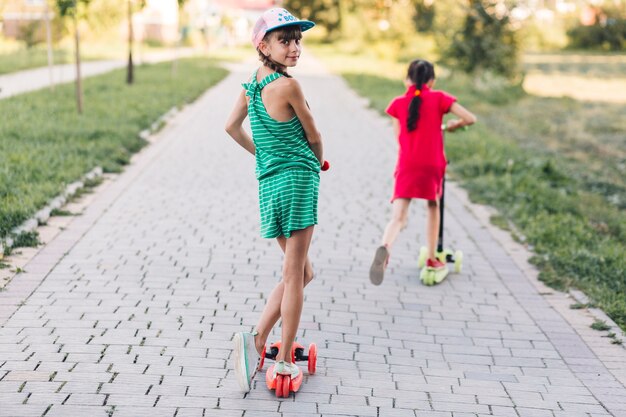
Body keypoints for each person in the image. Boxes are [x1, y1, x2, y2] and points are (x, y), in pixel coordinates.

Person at [224, 8, 324, 393]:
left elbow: (230, 127)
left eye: (297, 39)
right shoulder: (290, 87)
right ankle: (281, 359)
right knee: (294, 274)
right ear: (263, 45)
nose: (294, 47)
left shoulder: (250, 85)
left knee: (302, 271)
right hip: (298, 182)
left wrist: (263, 156)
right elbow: (314, 134)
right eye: (284, 40)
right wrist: (316, 163)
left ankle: (258, 338)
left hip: (269, 186)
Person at [369, 59, 476, 286]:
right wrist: (451, 126)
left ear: (407, 79)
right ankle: (430, 258)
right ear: (432, 80)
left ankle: (386, 247)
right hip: (432, 164)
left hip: (408, 164)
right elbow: (470, 118)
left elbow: (399, 139)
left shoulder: (398, 103)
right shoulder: (439, 98)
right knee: (432, 207)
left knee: (398, 217)